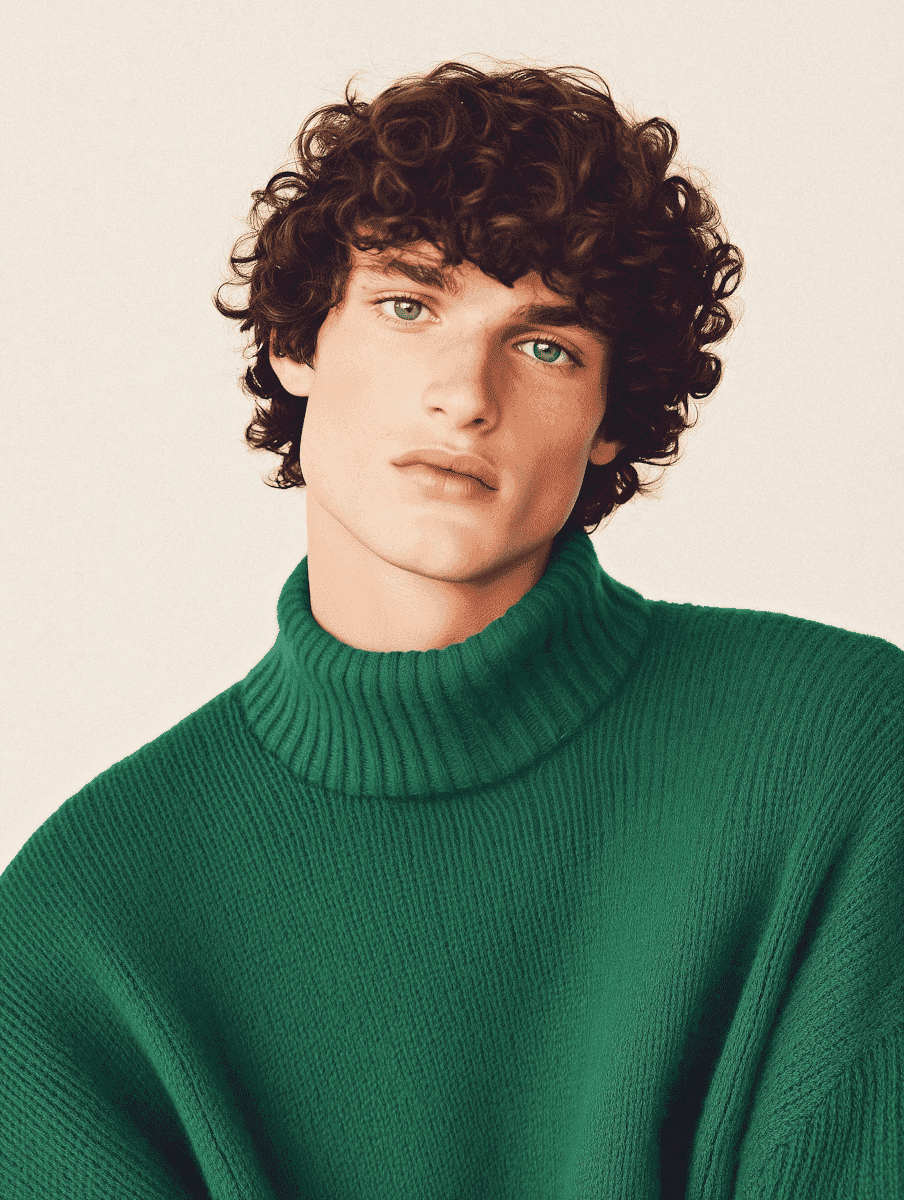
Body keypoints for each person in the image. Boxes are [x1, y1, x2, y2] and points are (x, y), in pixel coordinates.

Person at [1, 58, 901, 1200]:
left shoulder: (839, 753)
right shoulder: (83, 921)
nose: (466, 394)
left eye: (546, 346)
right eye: (408, 306)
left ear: (609, 420)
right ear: (297, 343)